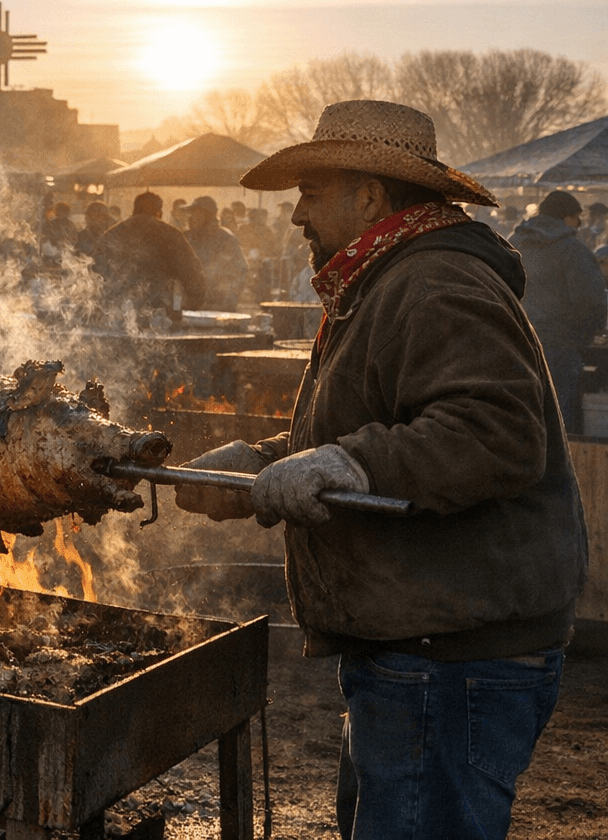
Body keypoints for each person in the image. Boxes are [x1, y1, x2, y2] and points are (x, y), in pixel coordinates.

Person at [175, 99, 586, 840]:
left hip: (452, 657)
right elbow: (374, 425)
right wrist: (262, 463)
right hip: (416, 649)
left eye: (311, 192)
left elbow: (494, 432)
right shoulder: (383, 280)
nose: (297, 214)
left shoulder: (433, 282)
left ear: (369, 195)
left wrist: (347, 462)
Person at [508, 190, 607, 434]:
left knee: (518, 417)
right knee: (558, 422)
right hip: (560, 348)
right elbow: (591, 303)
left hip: (513, 343)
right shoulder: (572, 250)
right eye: (577, 217)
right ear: (566, 218)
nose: (581, 224)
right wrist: (587, 335)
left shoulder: (511, 243)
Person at [89, 191, 206, 325]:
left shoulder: (112, 234)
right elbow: (193, 276)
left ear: (134, 211)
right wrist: (191, 305)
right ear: (159, 213)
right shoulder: (171, 234)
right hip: (158, 315)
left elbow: (94, 274)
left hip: (116, 315)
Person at [184, 195, 249, 311]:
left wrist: (225, 302)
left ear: (205, 215)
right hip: (190, 305)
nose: (190, 217)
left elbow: (241, 271)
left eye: (194, 213)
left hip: (218, 308)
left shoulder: (225, 238)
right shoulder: (187, 237)